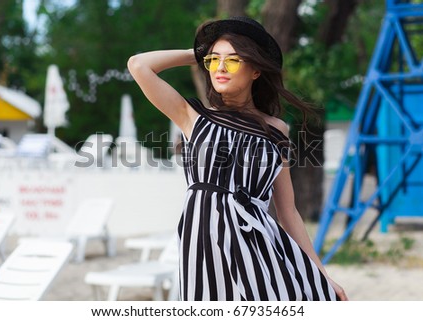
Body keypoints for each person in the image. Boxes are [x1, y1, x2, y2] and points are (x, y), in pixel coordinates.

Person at [128, 16, 347, 301]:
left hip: (258, 245)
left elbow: (288, 212)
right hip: (204, 244)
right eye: (213, 60)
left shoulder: (276, 129)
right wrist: (199, 53)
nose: (219, 68)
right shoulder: (193, 117)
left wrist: (321, 274)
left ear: (255, 70)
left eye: (232, 60)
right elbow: (138, 65)